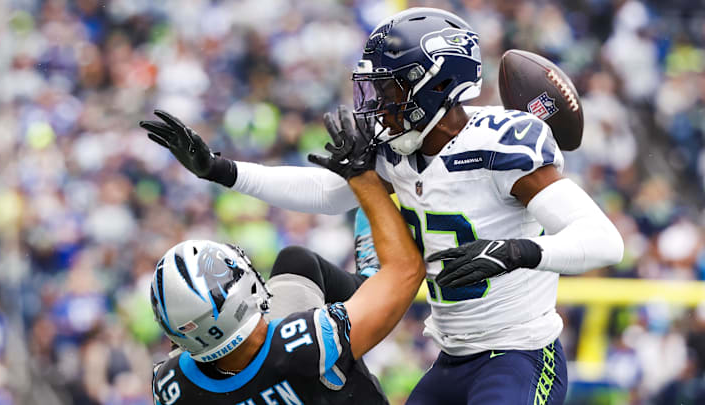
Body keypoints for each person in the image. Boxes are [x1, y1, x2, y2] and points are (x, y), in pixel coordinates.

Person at [141, 7, 624, 404]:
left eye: (390, 88)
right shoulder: (400, 148)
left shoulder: (502, 146)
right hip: (453, 358)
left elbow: (604, 242)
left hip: (519, 353)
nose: (378, 102)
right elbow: (328, 193)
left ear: (436, 83)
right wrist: (220, 170)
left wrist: (517, 251)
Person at [149, 112, 425, 404]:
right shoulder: (309, 344)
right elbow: (406, 270)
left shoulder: (170, 388)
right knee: (300, 263)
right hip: (310, 373)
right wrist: (367, 182)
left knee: (296, 263)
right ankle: (368, 280)